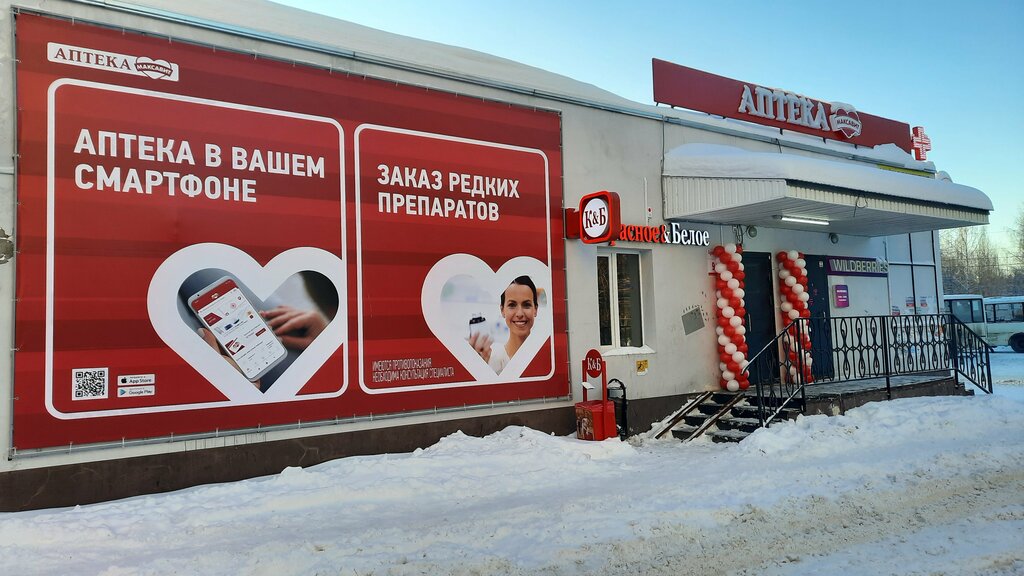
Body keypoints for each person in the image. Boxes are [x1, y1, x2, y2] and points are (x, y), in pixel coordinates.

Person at [468, 275, 538, 374]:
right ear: (502, 310)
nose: (519, 314)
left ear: (535, 309)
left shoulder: (546, 354)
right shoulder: (490, 359)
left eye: (526, 305)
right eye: (512, 305)